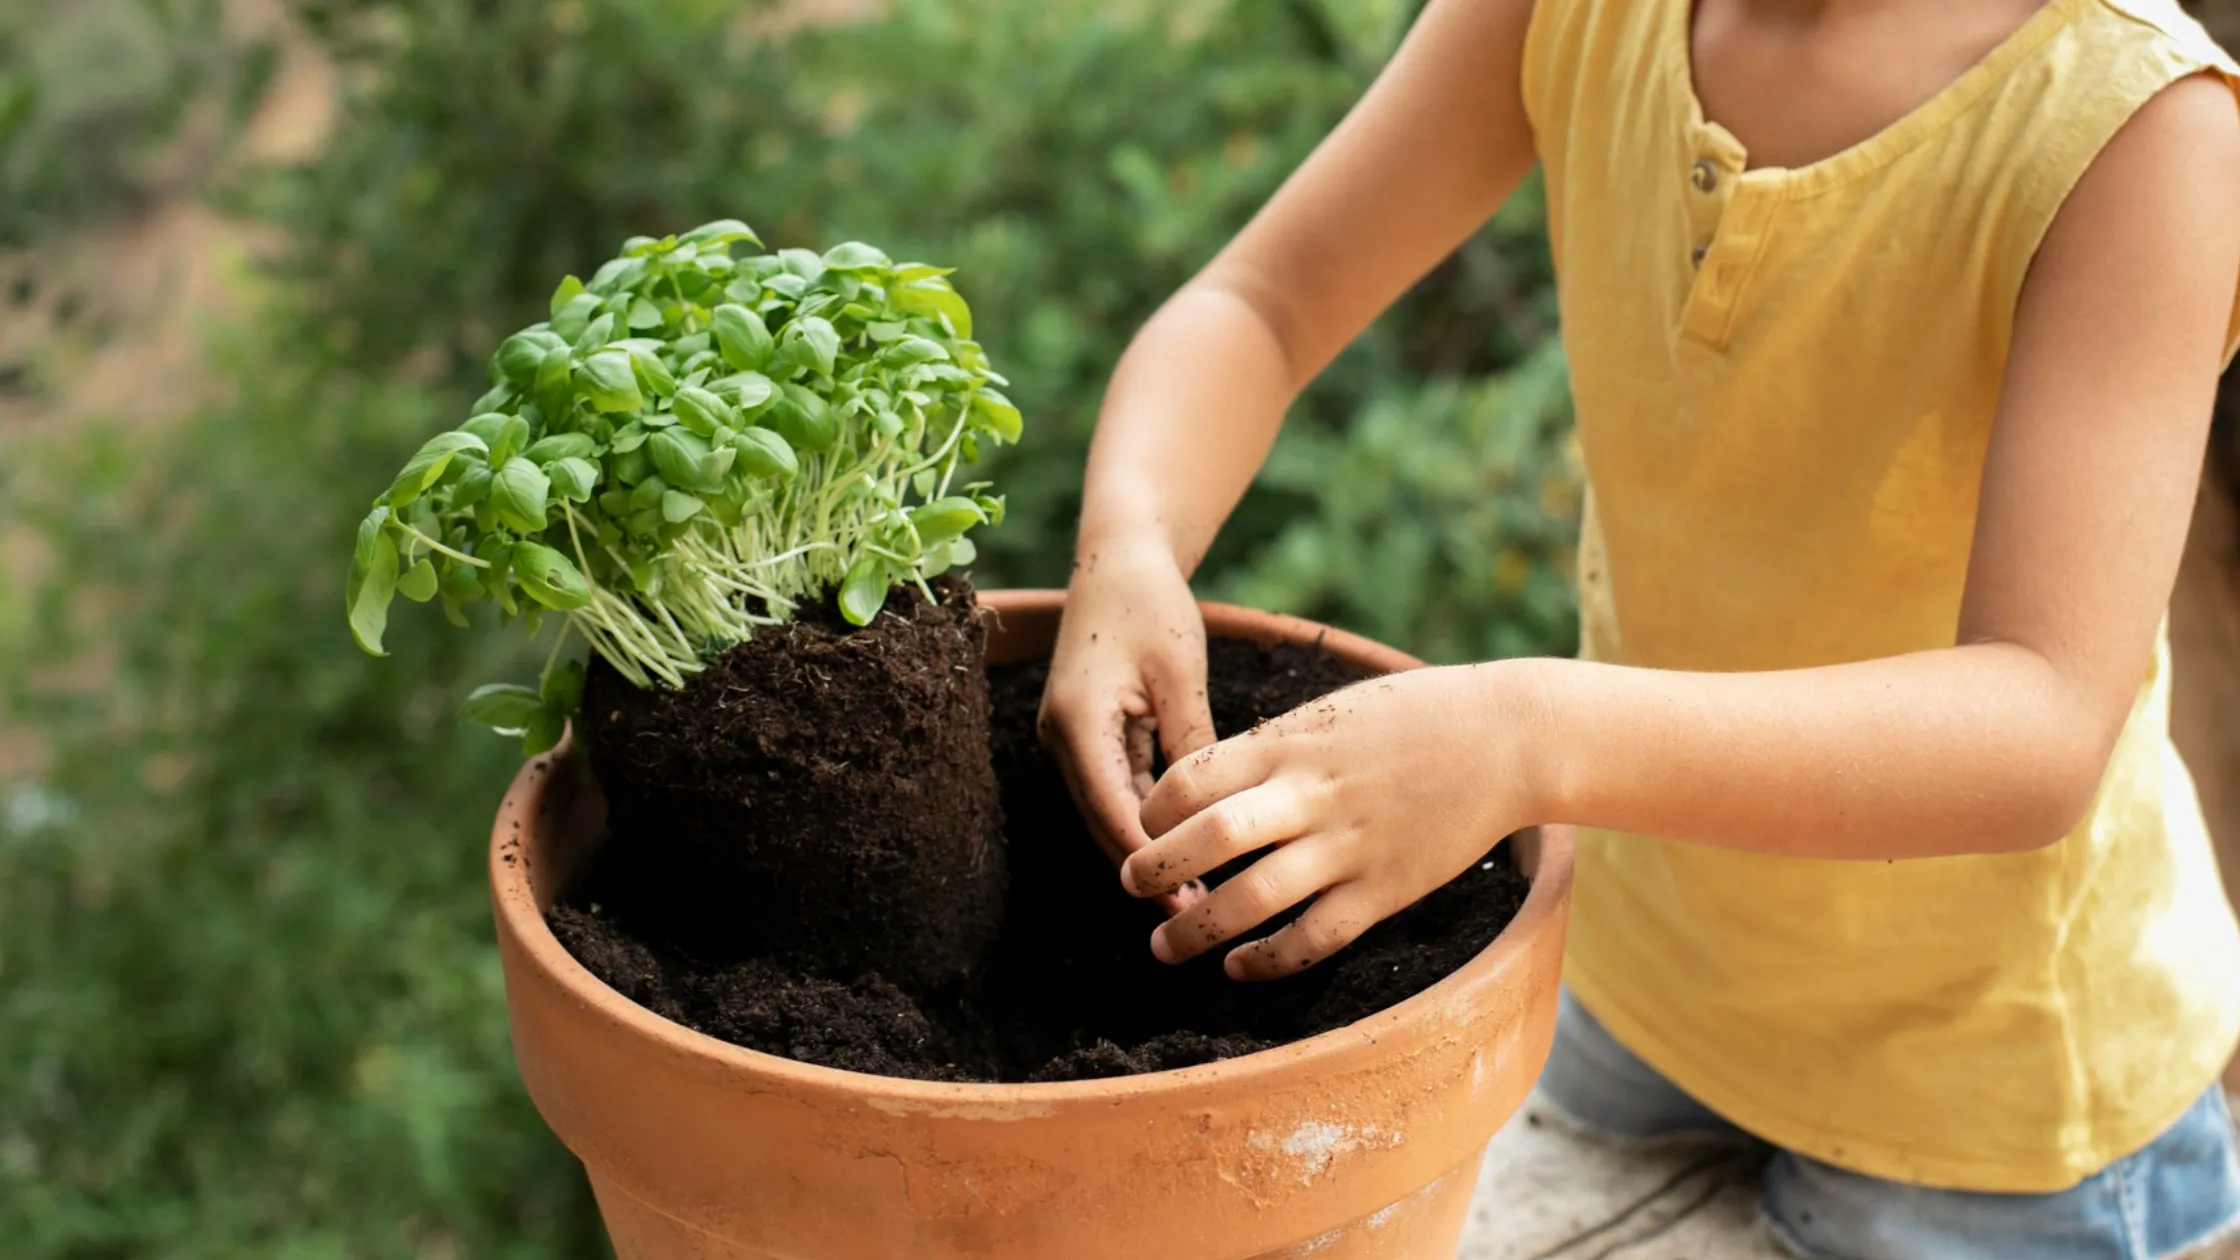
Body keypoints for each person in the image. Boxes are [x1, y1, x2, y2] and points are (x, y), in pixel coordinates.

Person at [1036, 0, 2240, 1254]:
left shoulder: (2136, 126)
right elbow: (1263, 301)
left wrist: (1525, 735)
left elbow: (2039, 723)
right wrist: (1126, 543)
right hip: (1644, 977)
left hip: (1994, 1096)